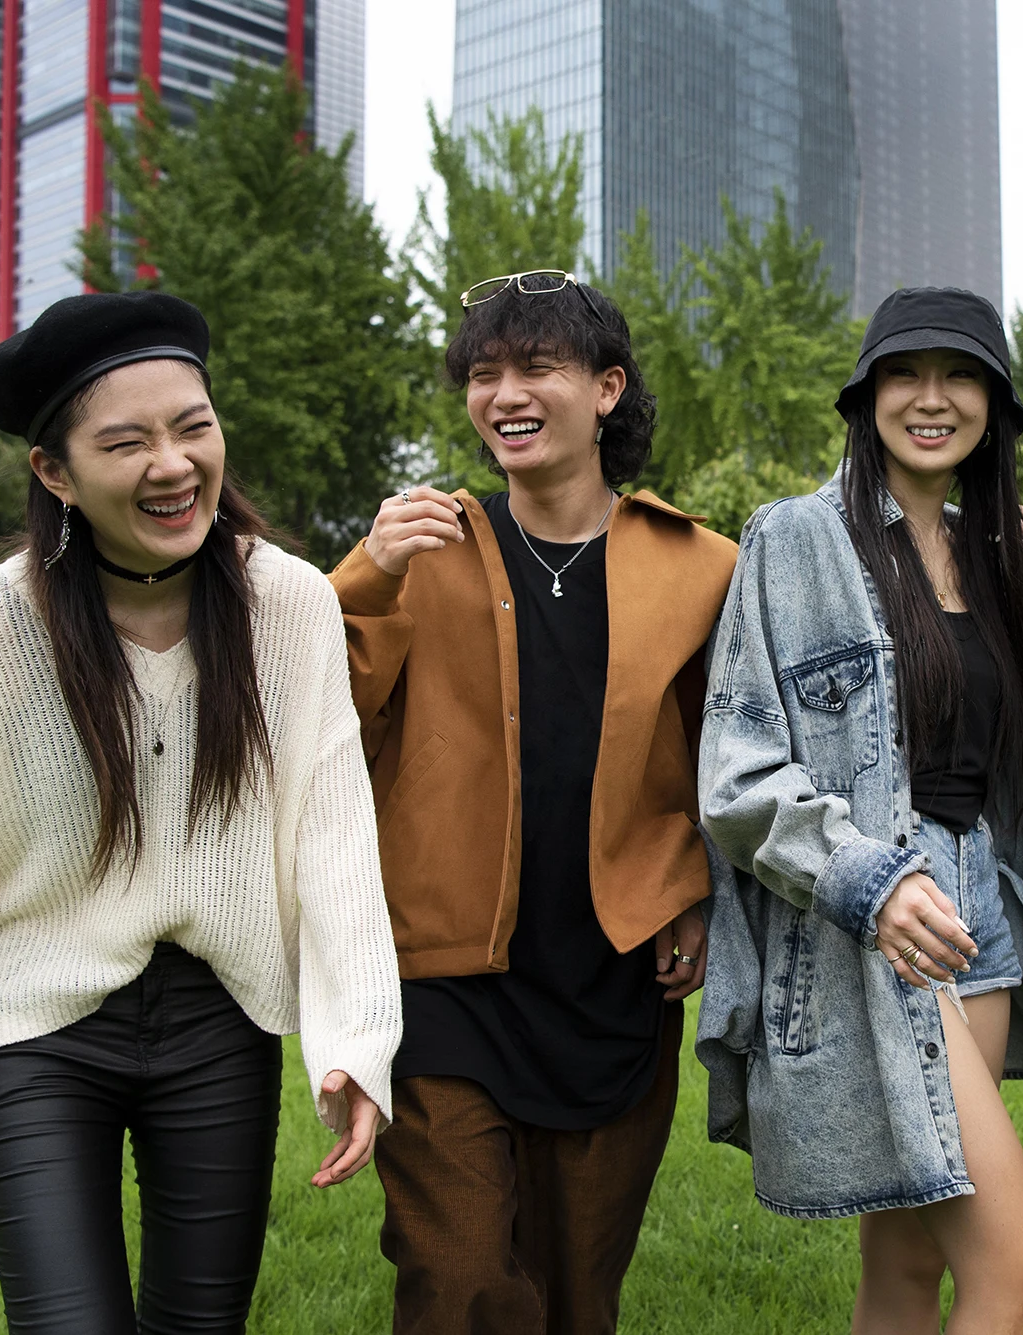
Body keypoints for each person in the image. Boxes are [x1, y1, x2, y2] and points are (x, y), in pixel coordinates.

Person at [0, 290, 402, 1333]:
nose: (172, 464)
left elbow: (333, 830)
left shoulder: (287, 602)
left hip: (221, 1020)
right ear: (54, 473)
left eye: (192, 427)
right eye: (127, 442)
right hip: (31, 1030)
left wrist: (357, 1041)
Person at [696, 286, 1023, 1333]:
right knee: (1019, 1273)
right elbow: (736, 768)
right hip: (870, 929)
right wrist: (867, 880)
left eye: (960, 376)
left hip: (977, 921)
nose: (931, 398)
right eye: (905, 373)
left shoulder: (990, 557)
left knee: (905, 1270)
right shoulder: (797, 539)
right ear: (865, 398)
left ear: (994, 405)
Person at [328, 270, 739, 1334]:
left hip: (612, 980)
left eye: (534, 367)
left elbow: (730, 763)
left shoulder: (702, 568)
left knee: (575, 1298)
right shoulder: (412, 551)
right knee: (460, 1280)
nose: (501, 391)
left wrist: (689, 888)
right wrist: (364, 575)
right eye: (481, 372)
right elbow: (310, 714)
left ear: (605, 389)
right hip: (446, 981)